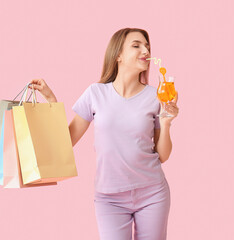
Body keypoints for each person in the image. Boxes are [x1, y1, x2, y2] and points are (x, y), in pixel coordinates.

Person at [29, 27, 179, 240]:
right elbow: (67, 140)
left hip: (152, 193)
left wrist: (166, 123)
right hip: (110, 199)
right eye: (136, 45)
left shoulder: (156, 96)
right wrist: (52, 100)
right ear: (118, 55)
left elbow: (162, 155)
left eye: (147, 46)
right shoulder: (95, 93)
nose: (145, 50)